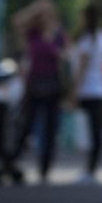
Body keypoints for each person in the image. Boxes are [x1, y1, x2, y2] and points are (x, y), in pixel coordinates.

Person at [9, 22, 69, 182]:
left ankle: (45, 168)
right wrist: (36, 8)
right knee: (26, 124)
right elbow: (17, 21)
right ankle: (12, 160)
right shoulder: (33, 32)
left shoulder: (58, 34)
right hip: (34, 85)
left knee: (50, 128)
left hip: (52, 85)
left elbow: (66, 55)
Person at [73, 4, 102, 183]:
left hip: (88, 91)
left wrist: (74, 91)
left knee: (90, 132)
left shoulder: (86, 40)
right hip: (99, 90)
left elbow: (82, 69)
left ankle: (89, 169)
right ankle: (91, 168)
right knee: (97, 132)